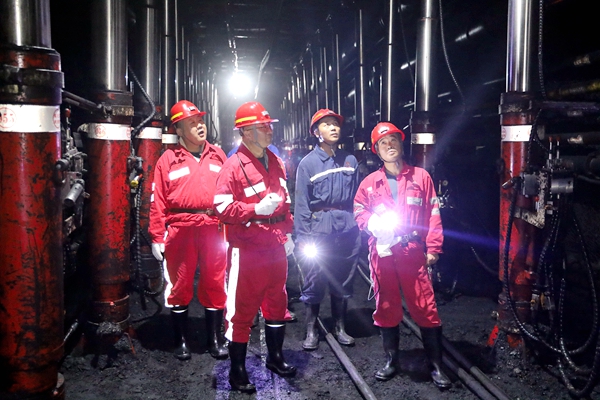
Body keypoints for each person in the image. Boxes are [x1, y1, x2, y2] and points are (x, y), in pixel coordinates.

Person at [353, 122, 451, 389]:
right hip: (383, 251)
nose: (390, 146)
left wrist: (433, 248)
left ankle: (436, 366)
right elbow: (359, 210)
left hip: (411, 250)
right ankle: (392, 361)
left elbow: (433, 214)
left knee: (425, 307)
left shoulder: (421, 177)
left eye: (393, 140)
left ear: (401, 143)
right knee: (386, 306)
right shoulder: (370, 183)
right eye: (383, 143)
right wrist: (370, 223)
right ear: (377, 150)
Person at [213, 101, 296, 393]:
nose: (270, 130)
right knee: (242, 309)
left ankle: (275, 357)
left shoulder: (276, 161)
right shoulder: (233, 166)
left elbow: (286, 202)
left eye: (269, 125)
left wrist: (288, 232)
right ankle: (237, 371)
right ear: (246, 132)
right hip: (247, 249)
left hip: (275, 245)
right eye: (263, 127)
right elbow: (221, 207)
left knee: (277, 303)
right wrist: (254, 209)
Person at [149, 100, 228, 361]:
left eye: (200, 121)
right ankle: (180, 340)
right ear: (179, 130)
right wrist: (157, 236)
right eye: (192, 123)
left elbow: (230, 192)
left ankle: (214, 338)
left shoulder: (218, 155)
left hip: (213, 228)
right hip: (181, 229)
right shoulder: (168, 160)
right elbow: (158, 200)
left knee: (215, 281)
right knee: (180, 284)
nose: (199, 126)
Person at [293, 109, 361, 351]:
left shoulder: (350, 161)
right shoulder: (308, 164)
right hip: (319, 227)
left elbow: (357, 196)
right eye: (327, 124)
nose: (333, 128)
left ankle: (340, 327)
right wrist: (302, 237)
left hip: (347, 226)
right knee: (315, 277)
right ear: (316, 132)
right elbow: (301, 203)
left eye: (336, 124)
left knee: (343, 277)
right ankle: (311, 329)